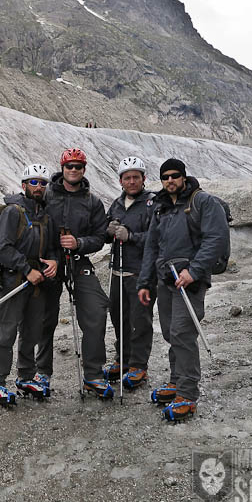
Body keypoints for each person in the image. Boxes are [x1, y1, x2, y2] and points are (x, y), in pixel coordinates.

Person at [137, 158, 229, 421]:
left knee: (182, 332)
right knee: (170, 333)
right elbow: (152, 247)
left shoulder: (202, 202)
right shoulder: (161, 207)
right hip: (166, 280)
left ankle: (187, 394)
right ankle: (177, 381)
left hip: (190, 281)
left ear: (184, 176)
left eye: (175, 176)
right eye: (165, 177)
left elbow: (216, 238)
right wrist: (145, 282)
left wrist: (194, 270)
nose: (170, 181)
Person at [39, 148, 111, 398]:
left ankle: (93, 374)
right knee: (45, 318)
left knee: (96, 310)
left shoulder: (92, 201)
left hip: (78, 261)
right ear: (62, 168)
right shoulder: (45, 195)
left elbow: (100, 237)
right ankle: (41, 373)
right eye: (69, 166)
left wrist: (79, 243)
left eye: (78, 166)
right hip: (49, 262)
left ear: (84, 169)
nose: (73, 170)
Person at [0, 164, 59, 405]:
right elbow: (2, 248)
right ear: (24, 185)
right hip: (14, 279)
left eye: (42, 183)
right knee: (6, 330)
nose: (38, 187)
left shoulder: (45, 215)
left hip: (37, 281)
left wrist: (53, 261)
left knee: (31, 330)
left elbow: (50, 247)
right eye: (33, 182)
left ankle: (26, 376)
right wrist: (27, 269)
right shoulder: (13, 212)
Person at [104, 157, 156, 390]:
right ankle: (122, 359)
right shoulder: (116, 204)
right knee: (118, 317)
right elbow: (106, 233)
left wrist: (131, 236)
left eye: (136, 177)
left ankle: (138, 365)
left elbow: (157, 238)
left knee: (140, 320)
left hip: (140, 272)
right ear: (121, 181)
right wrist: (108, 231)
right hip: (117, 270)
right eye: (127, 177)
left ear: (144, 179)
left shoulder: (152, 204)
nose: (132, 181)